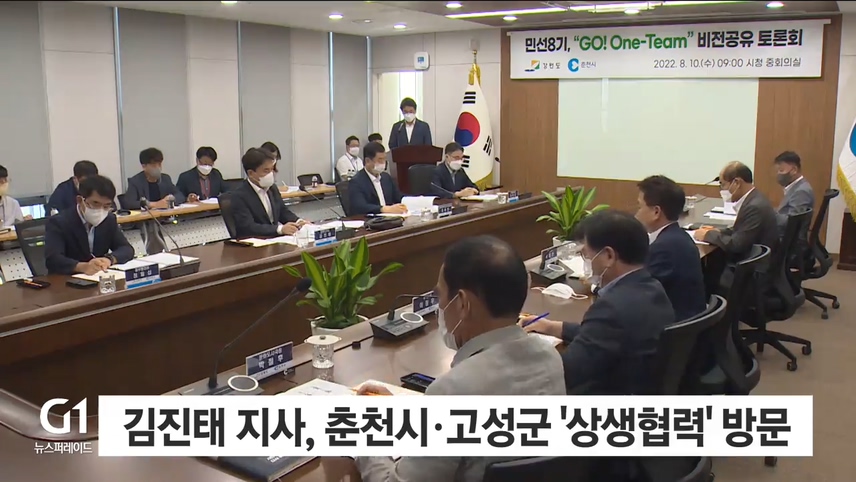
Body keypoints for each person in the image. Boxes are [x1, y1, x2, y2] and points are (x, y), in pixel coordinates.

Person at [355, 235, 566, 482]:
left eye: (441, 296)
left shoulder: (454, 390)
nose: (440, 307)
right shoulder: (549, 357)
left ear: (463, 303)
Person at [522, 210, 675, 395]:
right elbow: (604, 335)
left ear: (609, 256)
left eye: (586, 254)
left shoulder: (612, 308)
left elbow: (567, 372)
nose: (587, 261)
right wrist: (551, 327)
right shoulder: (653, 288)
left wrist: (524, 348)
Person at [635, 175, 706, 321]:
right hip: (689, 320)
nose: (636, 214)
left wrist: (596, 286)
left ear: (656, 212)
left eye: (640, 207)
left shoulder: (664, 248)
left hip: (674, 327)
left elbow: (636, 292)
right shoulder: (678, 236)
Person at [45, 175, 134, 275]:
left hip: (98, 276)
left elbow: (126, 249)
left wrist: (109, 259)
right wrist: (83, 267)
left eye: (106, 206)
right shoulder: (59, 222)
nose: (100, 210)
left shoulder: (108, 219)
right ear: (80, 200)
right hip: (67, 279)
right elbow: (53, 259)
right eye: (95, 203)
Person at [693, 161, 778, 257]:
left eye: (723, 185)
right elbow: (742, 231)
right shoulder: (755, 197)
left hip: (751, 262)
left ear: (737, 183)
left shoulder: (754, 207)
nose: (722, 190)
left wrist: (708, 235)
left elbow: (736, 245)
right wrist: (719, 231)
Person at [230, 148, 304, 238]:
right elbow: (248, 227)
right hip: (253, 242)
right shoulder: (239, 195)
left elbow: (282, 212)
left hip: (274, 240)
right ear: (251, 173)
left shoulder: (272, 188)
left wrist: (298, 222)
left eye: (272, 169)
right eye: (266, 170)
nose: (271, 174)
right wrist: (279, 229)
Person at [348, 141, 406, 215]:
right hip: (371, 219)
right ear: (367, 161)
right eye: (380, 159)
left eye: (384, 159)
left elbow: (398, 197)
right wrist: (383, 209)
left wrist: (412, 201)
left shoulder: (386, 178)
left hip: (390, 218)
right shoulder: (356, 182)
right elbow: (360, 207)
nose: (383, 163)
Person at [773, 151, 814, 237]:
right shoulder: (796, 188)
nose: (778, 174)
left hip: (787, 240)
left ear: (794, 170)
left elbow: (791, 222)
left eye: (781, 170)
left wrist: (769, 214)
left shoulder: (801, 191)